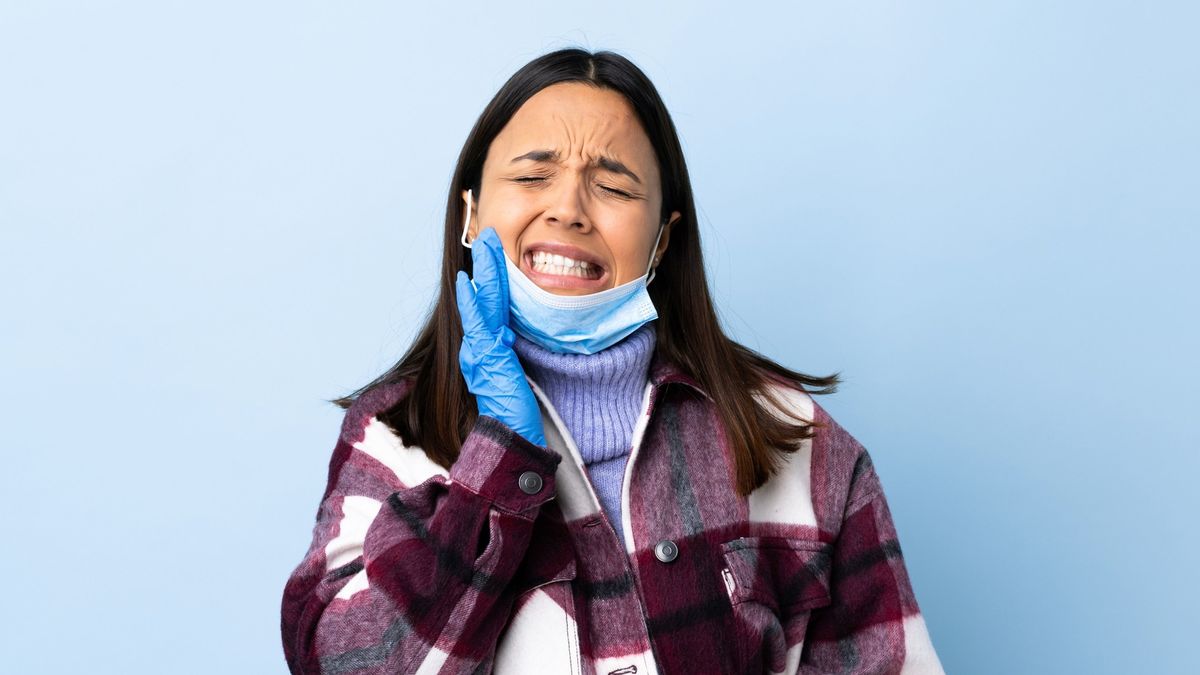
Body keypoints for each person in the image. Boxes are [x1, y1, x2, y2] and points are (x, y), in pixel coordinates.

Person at [280, 47, 945, 675]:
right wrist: (498, 462)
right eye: (533, 175)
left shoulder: (801, 442)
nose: (567, 209)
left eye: (614, 188)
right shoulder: (390, 438)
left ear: (663, 241)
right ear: (471, 211)